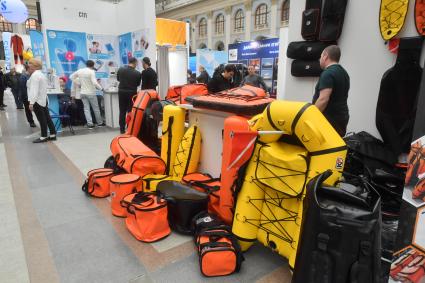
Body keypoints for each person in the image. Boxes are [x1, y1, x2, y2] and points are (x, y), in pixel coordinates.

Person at [313, 45, 350, 137]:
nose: (319, 59)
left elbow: (323, 99)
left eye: (321, 56)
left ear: (325, 56)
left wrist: (311, 116)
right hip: (341, 118)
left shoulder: (328, 73)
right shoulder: (344, 73)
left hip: (329, 120)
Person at [27, 58, 57, 143]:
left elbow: (34, 90)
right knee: (47, 118)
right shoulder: (41, 74)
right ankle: (52, 134)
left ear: (35, 65)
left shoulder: (35, 75)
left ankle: (43, 136)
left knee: (42, 119)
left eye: (30, 63)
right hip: (43, 99)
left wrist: (31, 103)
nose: (29, 65)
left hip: (37, 101)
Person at [70, 60, 104, 129]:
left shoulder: (80, 70)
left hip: (82, 93)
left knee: (86, 109)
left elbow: (71, 77)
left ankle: (90, 124)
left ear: (86, 64)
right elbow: (94, 83)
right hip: (91, 93)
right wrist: (101, 89)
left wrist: (78, 83)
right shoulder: (91, 71)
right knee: (96, 108)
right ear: (93, 65)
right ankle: (100, 123)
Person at [117, 57, 142, 133]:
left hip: (121, 92)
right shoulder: (137, 73)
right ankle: (129, 128)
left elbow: (118, 79)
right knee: (130, 111)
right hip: (132, 93)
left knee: (122, 111)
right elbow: (138, 84)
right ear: (134, 63)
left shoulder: (120, 70)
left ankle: (121, 129)